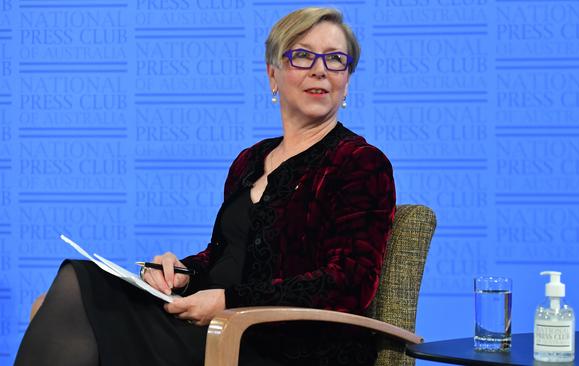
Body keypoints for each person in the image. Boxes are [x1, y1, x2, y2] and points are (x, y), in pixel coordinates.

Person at [15, 7, 395, 366]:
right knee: (62, 298)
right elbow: (223, 257)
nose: (320, 70)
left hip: (288, 348)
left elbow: (350, 282)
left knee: (76, 292)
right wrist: (183, 273)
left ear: (347, 82)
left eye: (335, 59)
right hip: (218, 328)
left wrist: (229, 300)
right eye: (302, 56)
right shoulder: (250, 160)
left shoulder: (360, 162)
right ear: (273, 75)